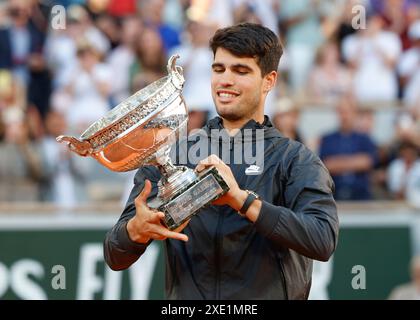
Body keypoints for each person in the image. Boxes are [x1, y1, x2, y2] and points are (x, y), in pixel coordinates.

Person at [104, 23, 339, 300]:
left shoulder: (295, 159)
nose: (225, 80)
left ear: (269, 80)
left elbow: (322, 239)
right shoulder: (173, 154)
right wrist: (135, 230)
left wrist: (242, 201)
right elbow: (114, 255)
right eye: (219, 69)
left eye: (240, 71)